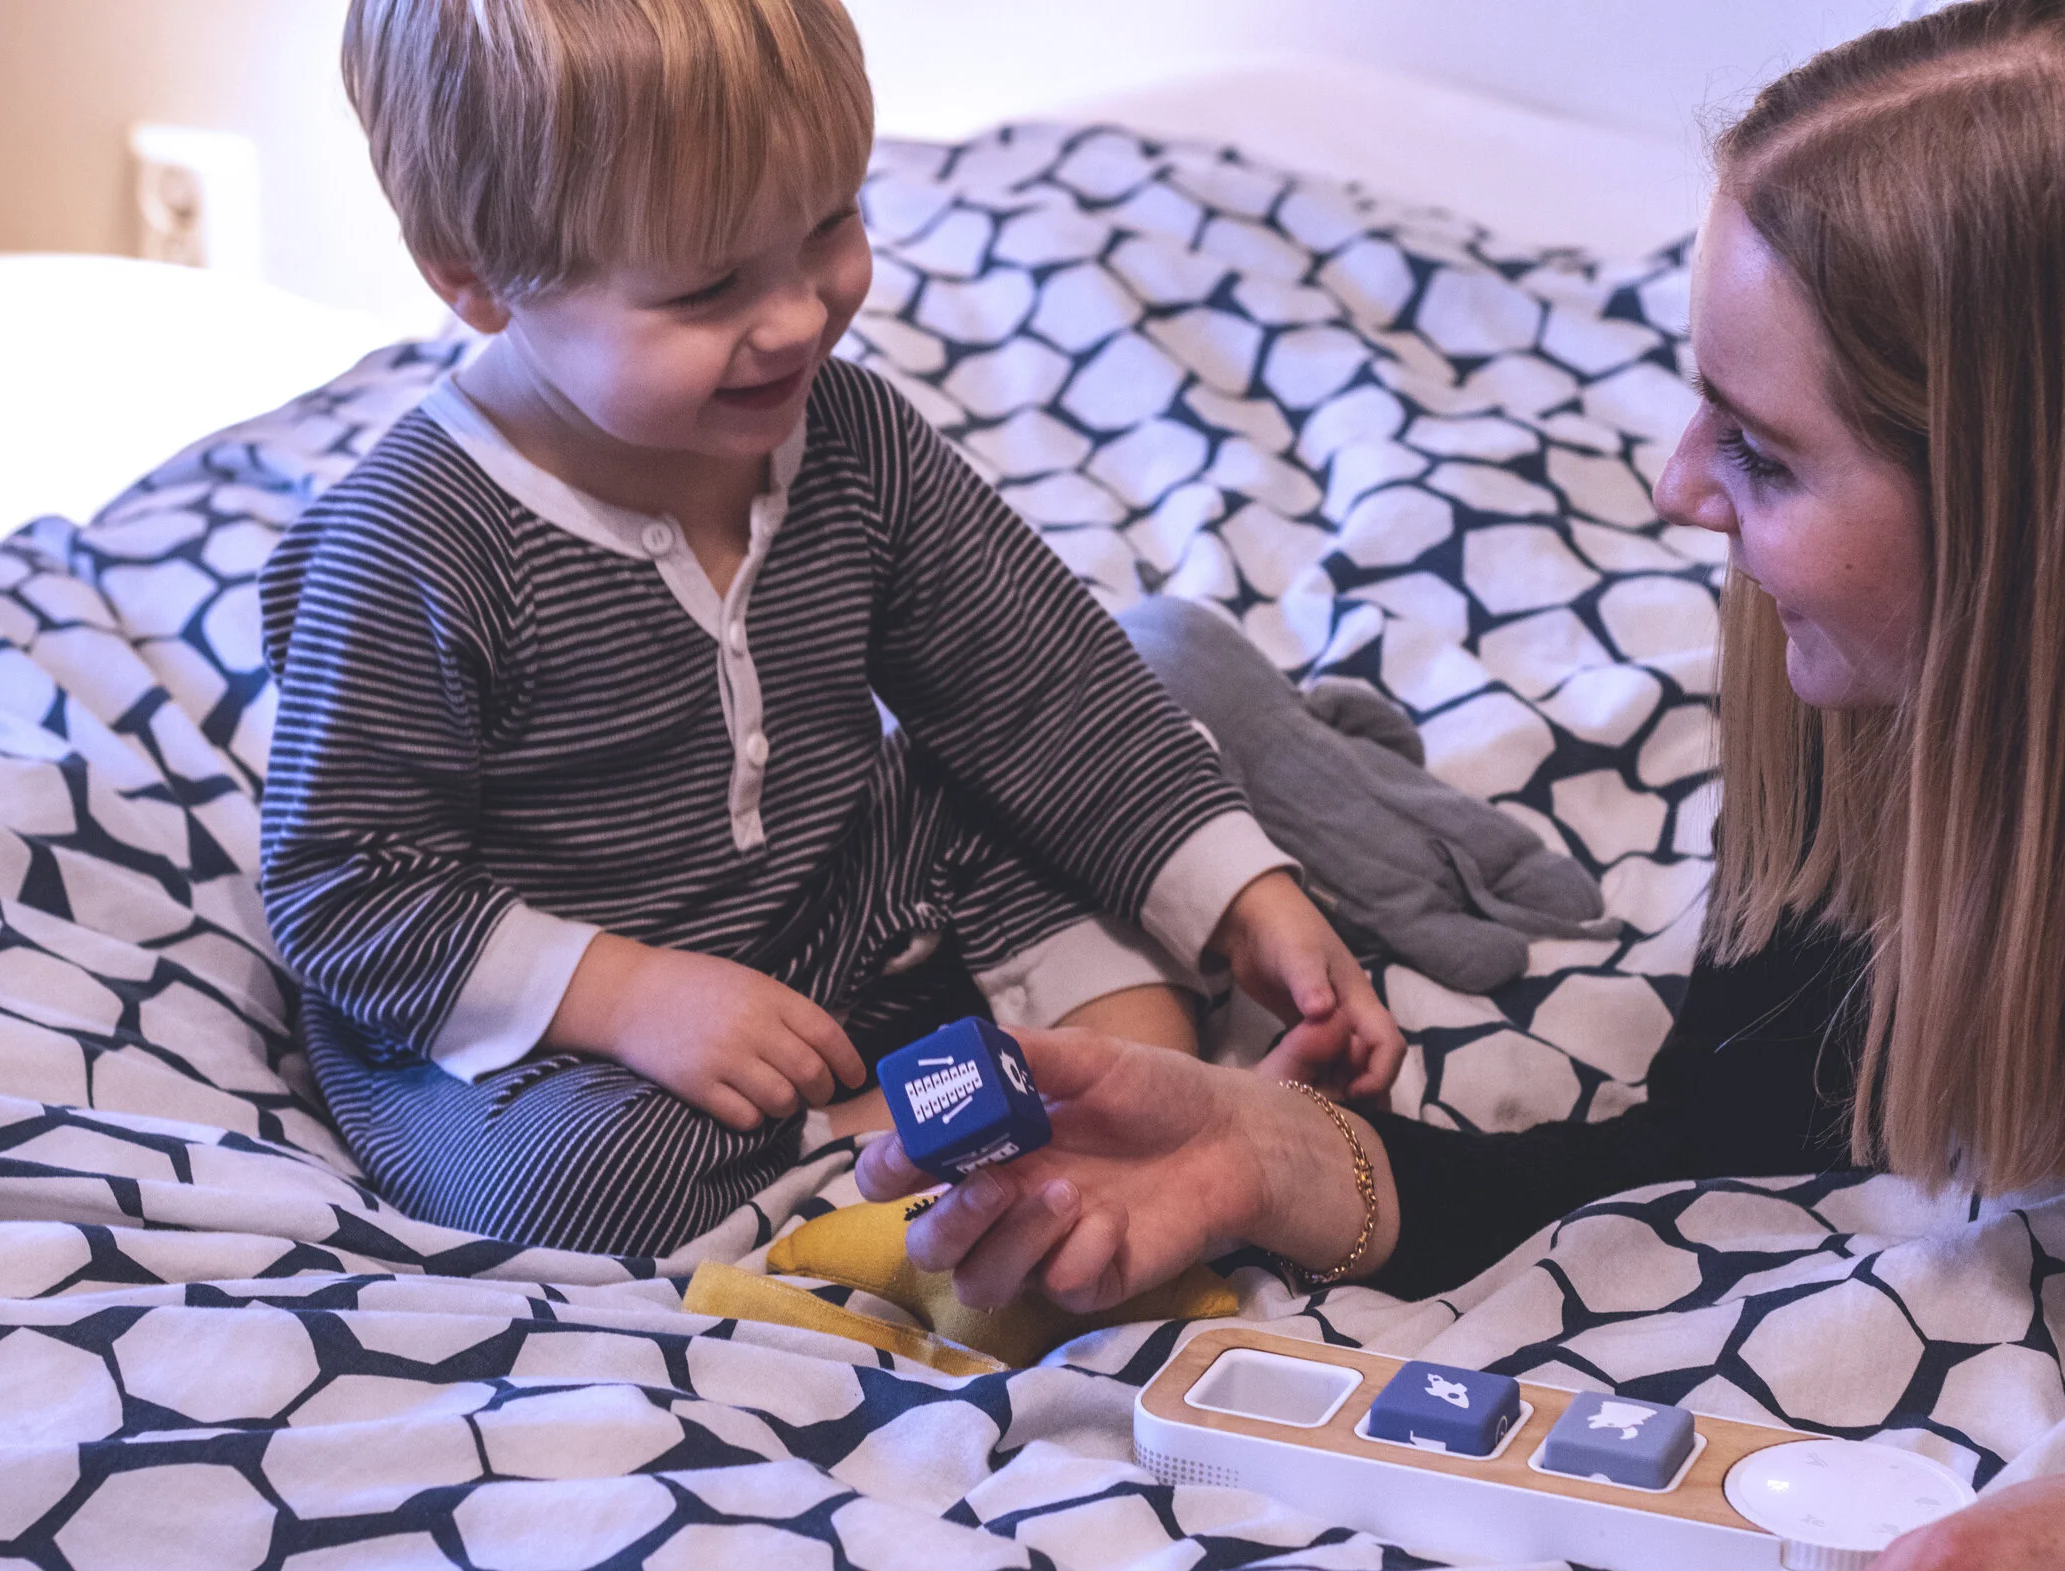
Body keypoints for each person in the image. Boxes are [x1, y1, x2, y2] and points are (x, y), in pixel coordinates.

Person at [856, 2, 2065, 1571]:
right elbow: (1716, 1122)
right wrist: (1269, 1156)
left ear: (2047, 532)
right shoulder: (1901, 727)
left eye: (1767, 455)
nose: (1670, 490)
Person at [258, 0, 1404, 1259]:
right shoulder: (410, 547)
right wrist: (632, 996)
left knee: (1035, 803)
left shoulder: (852, 440)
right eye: (706, 288)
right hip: (569, 1010)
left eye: (830, 226)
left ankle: (1118, 1097)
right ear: (474, 276)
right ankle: (896, 1152)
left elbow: (1042, 687)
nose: (800, 317)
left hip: (840, 899)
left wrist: (1250, 898)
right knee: (564, 1181)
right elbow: (344, 887)